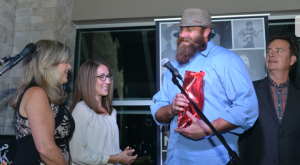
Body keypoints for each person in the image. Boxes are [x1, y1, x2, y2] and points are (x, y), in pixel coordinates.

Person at [150, 8, 258, 165]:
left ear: (206, 32)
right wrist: (171, 109)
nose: (182, 35)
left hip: (213, 161)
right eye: (181, 30)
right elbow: (158, 112)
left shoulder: (226, 60)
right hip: (174, 160)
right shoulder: (173, 68)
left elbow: (248, 108)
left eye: (189, 29)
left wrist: (207, 129)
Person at [9, 40, 75, 165]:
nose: (69, 67)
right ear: (50, 63)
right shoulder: (36, 93)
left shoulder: (45, 95)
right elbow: (46, 150)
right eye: (65, 62)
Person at [239, 36, 300, 164]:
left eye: (278, 51)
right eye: (268, 51)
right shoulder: (249, 90)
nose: (271, 54)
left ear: (292, 59)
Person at [69, 60, 137, 165]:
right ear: (88, 80)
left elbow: (107, 149)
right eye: (102, 77)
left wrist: (123, 155)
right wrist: (117, 158)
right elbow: (78, 154)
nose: (108, 81)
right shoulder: (82, 109)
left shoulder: (112, 112)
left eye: (108, 76)